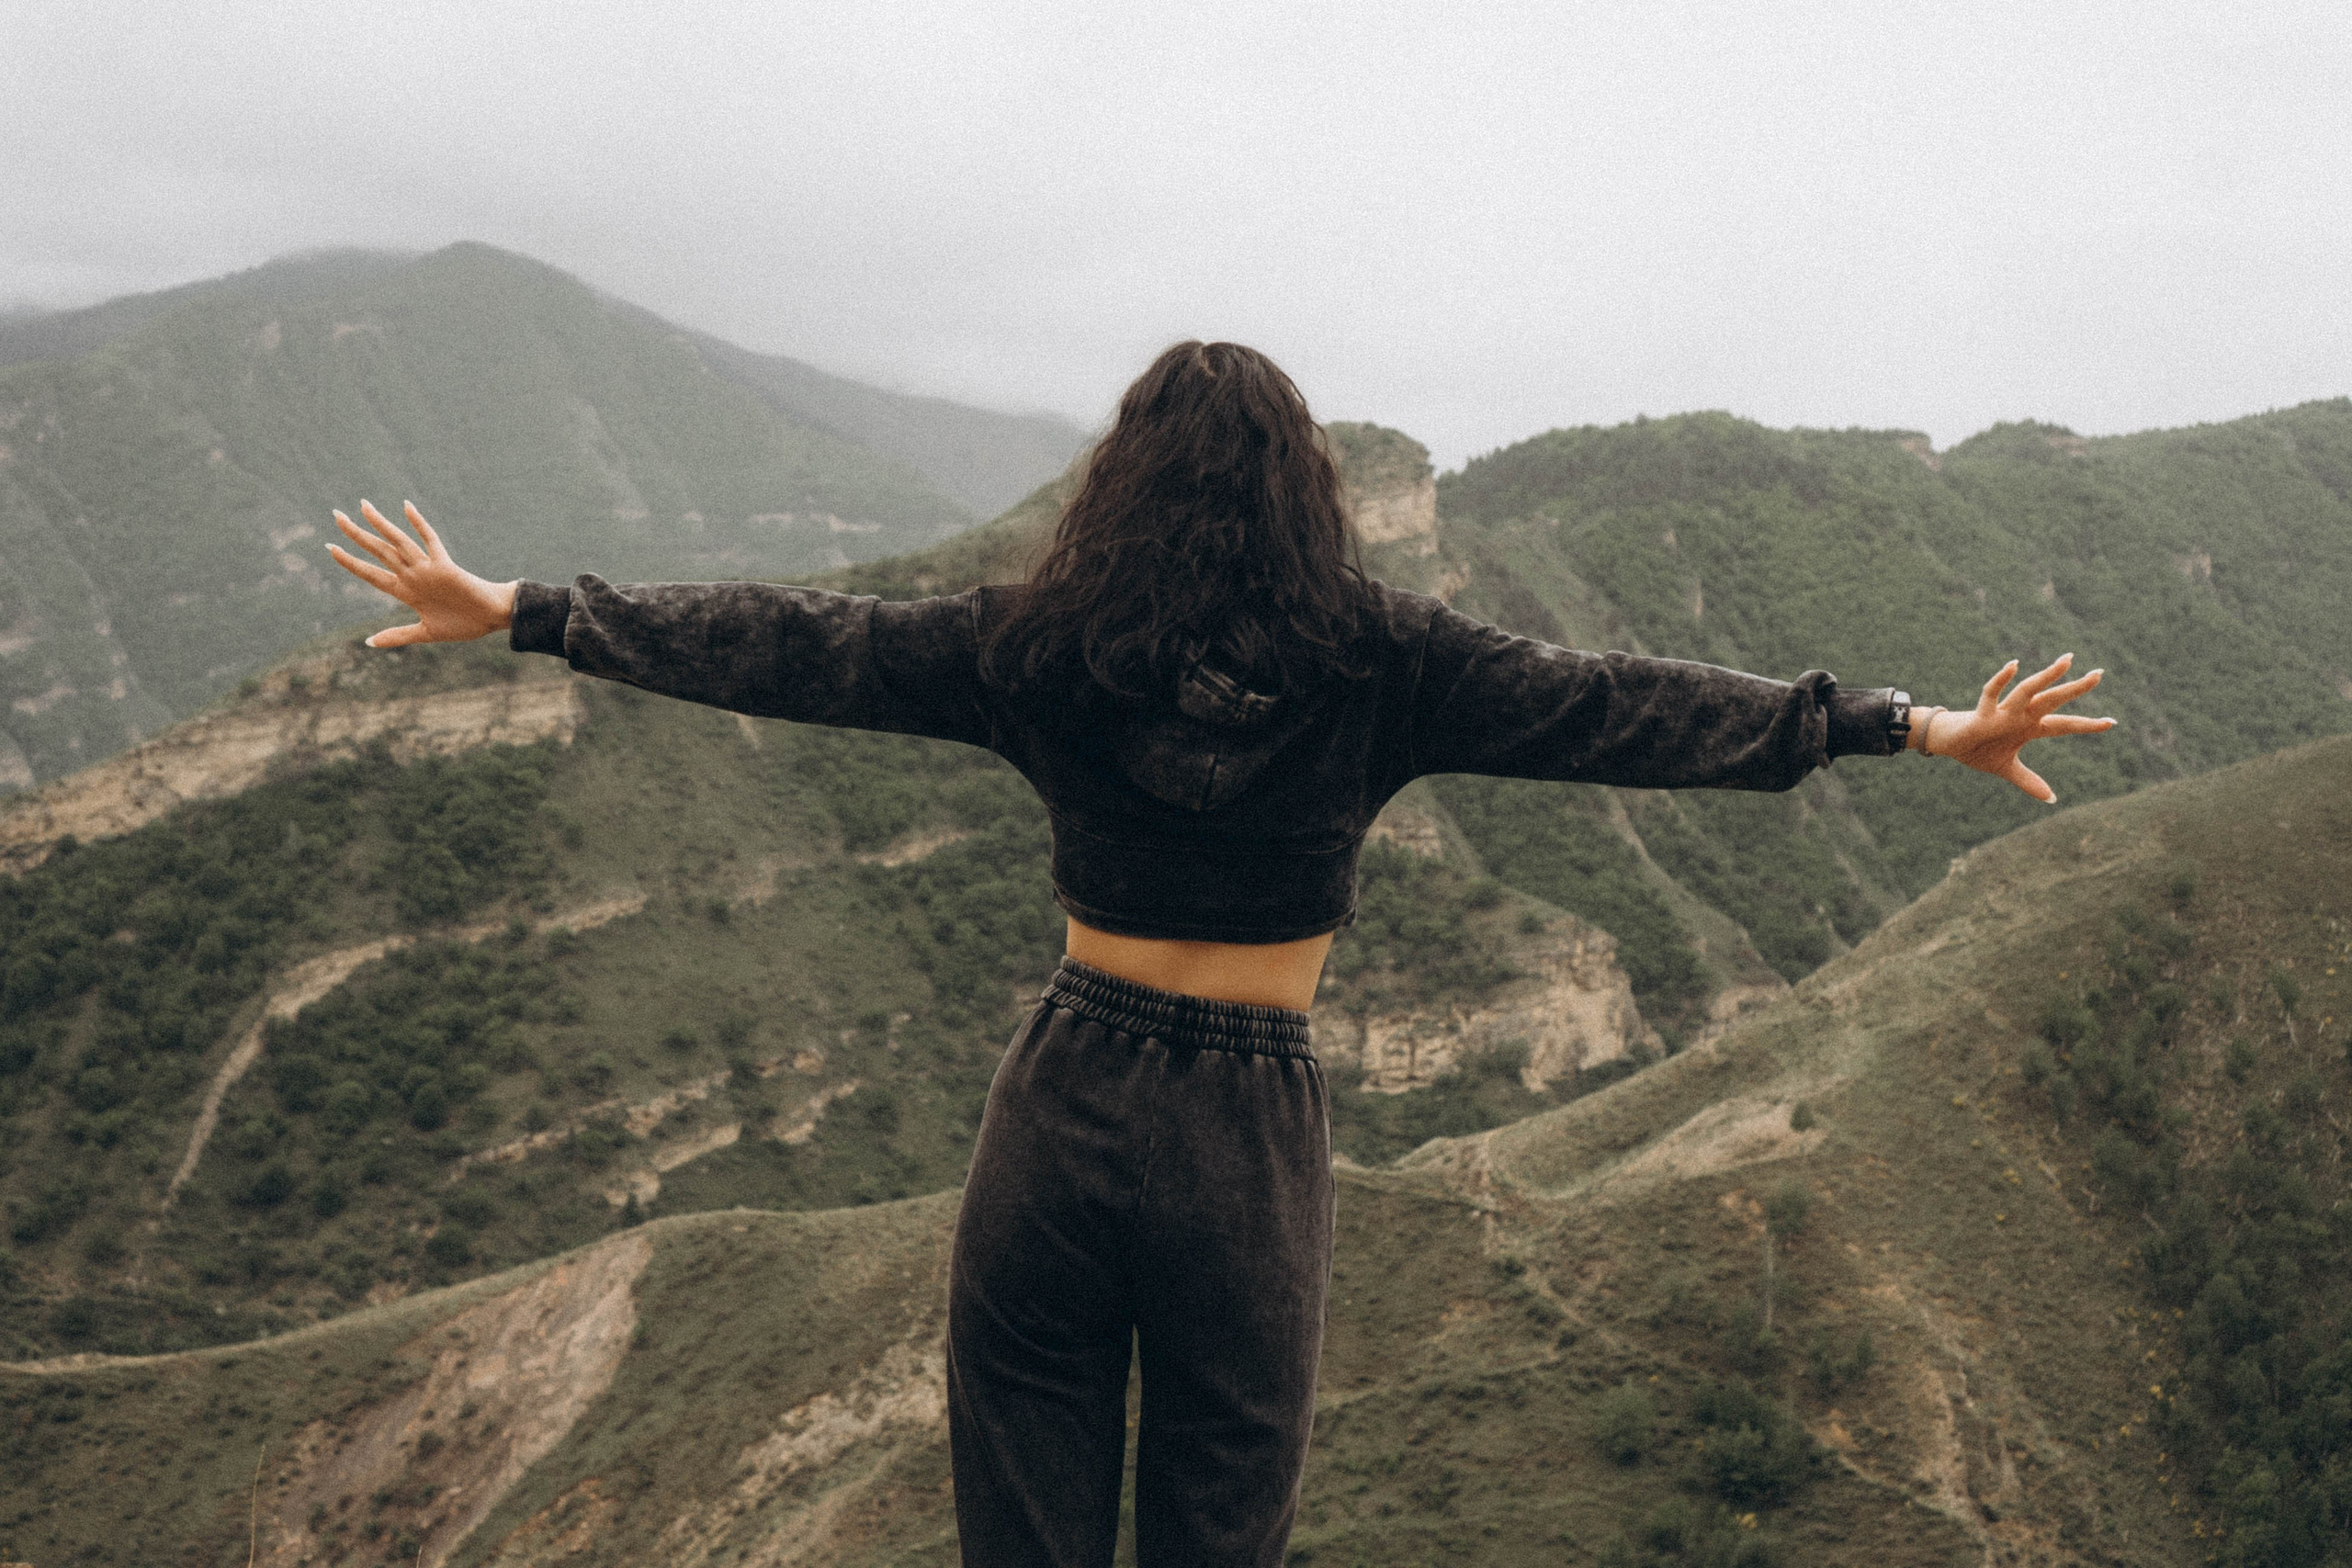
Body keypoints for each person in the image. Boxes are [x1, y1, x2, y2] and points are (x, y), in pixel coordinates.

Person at [325, 340, 2113, 1566]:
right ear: (1304, 494)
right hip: (1244, 1140)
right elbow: (1617, 708)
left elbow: (803, 646)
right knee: (1218, 1526)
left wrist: (529, 610)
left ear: (1118, 489)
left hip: (1059, 1097)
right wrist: (1900, 723)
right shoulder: (1382, 658)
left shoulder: (1034, 643)